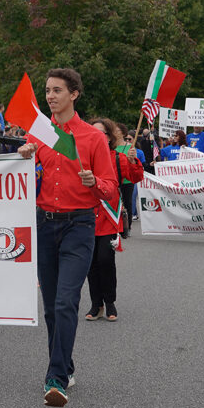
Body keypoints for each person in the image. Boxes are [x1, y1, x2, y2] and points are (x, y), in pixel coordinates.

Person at [17, 69, 119, 408]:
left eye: (57, 90)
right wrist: (24, 157)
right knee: (50, 309)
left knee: (65, 302)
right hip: (44, 224)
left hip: (79, 225)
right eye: (47, 90)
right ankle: (66, 365)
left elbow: (112, 189)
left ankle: (56, 378)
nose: (50, 96)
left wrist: (95, 183)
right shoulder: (40, 132)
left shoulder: (92, 138)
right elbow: (25, 176)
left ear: (74, 94)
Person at [85, 118, 141, 321]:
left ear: (109, 137)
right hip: (87, 215)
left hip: (109, 216)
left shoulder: (118, 158)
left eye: (102, 133)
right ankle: (95, 304)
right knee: (90, 263)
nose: (98, 136)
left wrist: (134, 161)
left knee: (105, 259)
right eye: (93, 132)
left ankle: (109, 302)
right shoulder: (82, 157)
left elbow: (135, 178)